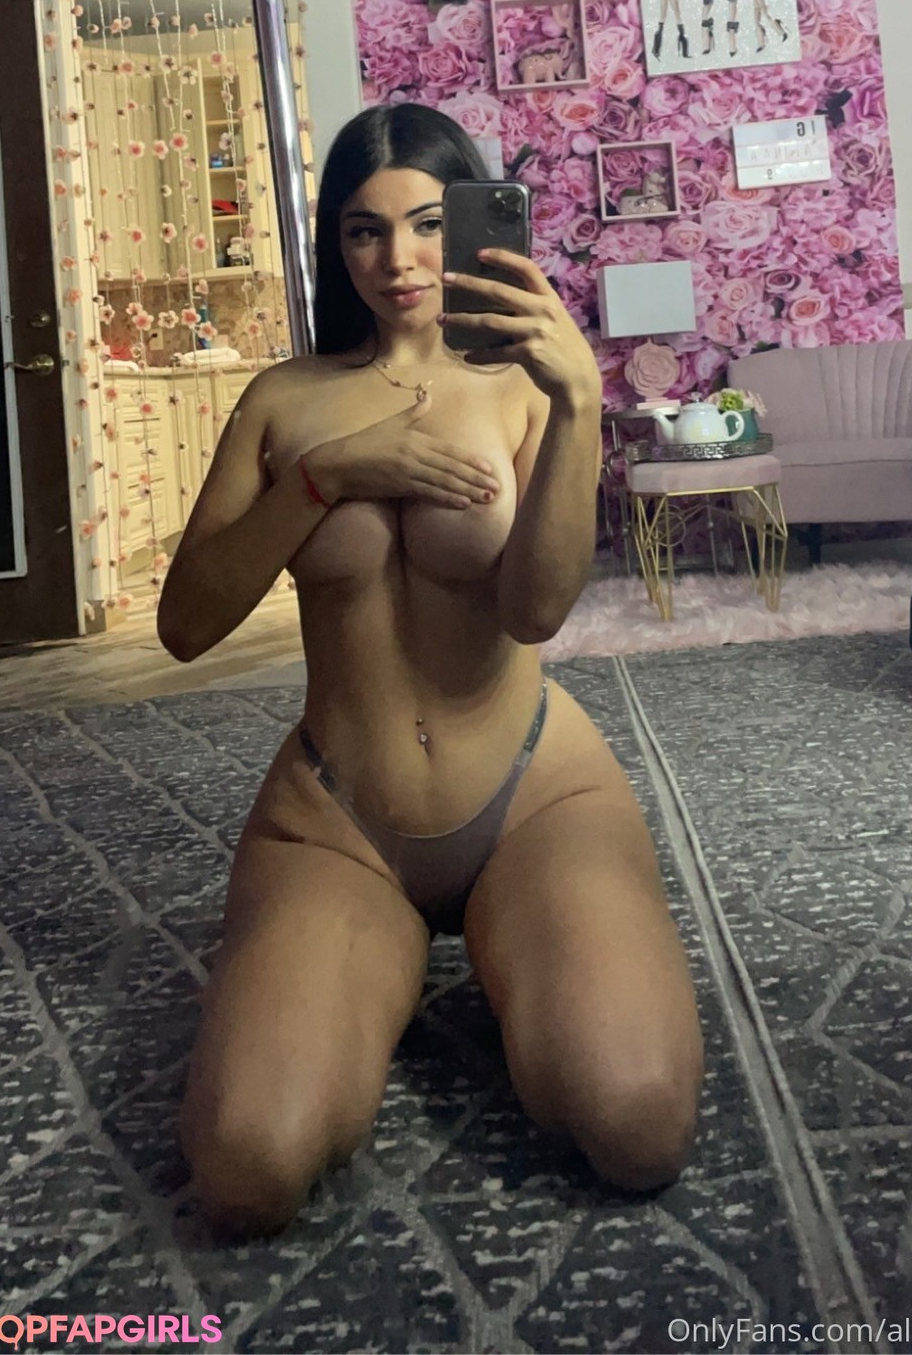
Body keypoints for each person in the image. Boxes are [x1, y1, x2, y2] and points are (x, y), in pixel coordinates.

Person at [159, 103, 702, 1237]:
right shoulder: (282, 401)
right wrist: (326, 475)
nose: (397, 259)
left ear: (470, 224)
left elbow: (535, 608)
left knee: (637, 1122)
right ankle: (371, 965)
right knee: (247, 1170)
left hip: (532, 796)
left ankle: (502, 955)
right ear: (336, 243)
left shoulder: (524, 387)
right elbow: (187, 625)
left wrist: (579, 397)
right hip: (338, 819)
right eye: (364, 229)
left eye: (425, 223)